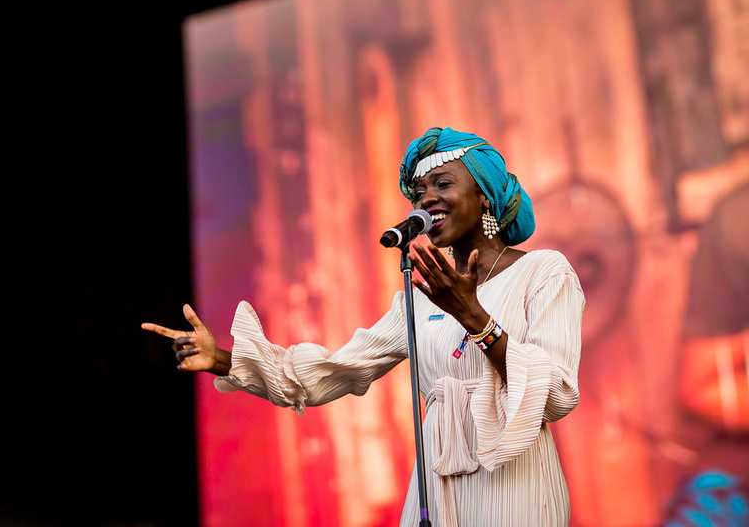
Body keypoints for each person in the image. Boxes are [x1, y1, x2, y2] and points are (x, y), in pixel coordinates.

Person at [143, 127, 585, 526]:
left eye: (442, 184)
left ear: (485, 194)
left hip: (514, 481)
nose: (425, 200)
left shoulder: (545, 272)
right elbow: (335, 370)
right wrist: (221, 359)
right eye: (418, 193)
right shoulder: (420, 297)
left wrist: (475, 318)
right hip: (439, 489)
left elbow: (556, 395)